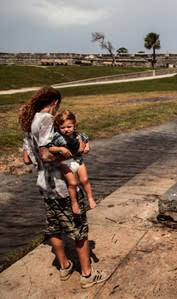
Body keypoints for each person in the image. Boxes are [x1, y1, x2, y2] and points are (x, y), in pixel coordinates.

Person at [18, 86, 110, 288]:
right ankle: (87, 275)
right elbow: (45, 154)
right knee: (79, 230)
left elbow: (26, 159)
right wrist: (71, 154)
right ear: (54, 103)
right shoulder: (47, 121)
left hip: (45, 185)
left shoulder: (29, 124)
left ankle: (64, 265)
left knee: (53, 228)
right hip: (62, 184)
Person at [48, 110, 96, 215]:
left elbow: (86, 139)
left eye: (69, 127)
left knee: (85, 180)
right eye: (63, 127)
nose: (66, 130)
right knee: (72, 183)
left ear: (74, 125)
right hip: (65, 162)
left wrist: (87, 147)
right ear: (58, 127)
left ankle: (90, 198)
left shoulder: (78, 135)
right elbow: (50, 148)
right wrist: (61, 148)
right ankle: (74, 203)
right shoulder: (57, 136)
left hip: (79, 161)